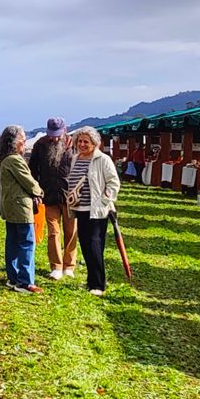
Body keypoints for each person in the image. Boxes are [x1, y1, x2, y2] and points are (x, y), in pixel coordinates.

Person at [68, 126, 120, 295]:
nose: (82, 144)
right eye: (80, 141)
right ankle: (91, 281)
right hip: (80, 208)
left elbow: (113, 183)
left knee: (95, 245)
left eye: (86, 142)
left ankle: (98, 284)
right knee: (85, 245)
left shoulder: (103, 159)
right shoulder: (76, 158)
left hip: (97, 210)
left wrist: (104, 200)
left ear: (94, 143)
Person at [30, 118, 78, 279]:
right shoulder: (40, 145)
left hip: (70, 195)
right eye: (52, 135)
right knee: (53, 232)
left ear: (64, 130)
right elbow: (32, 169)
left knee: (71, 232)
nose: (55, 138)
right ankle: (56, 266)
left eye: (58, 135)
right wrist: (36, 190)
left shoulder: (73, 145)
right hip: (48, 195)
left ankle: (69, 266)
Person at [0, 125, 42, 294]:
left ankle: (13, 277)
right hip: (20, 207)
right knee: (26, 243)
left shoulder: (4, 158)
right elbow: (29, 182)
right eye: (22, 140)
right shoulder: (15, 159)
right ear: (14, 142)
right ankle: (24, 282)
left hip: (9, 206)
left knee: (13, 242)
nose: (24, 143)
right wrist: (39, 191)